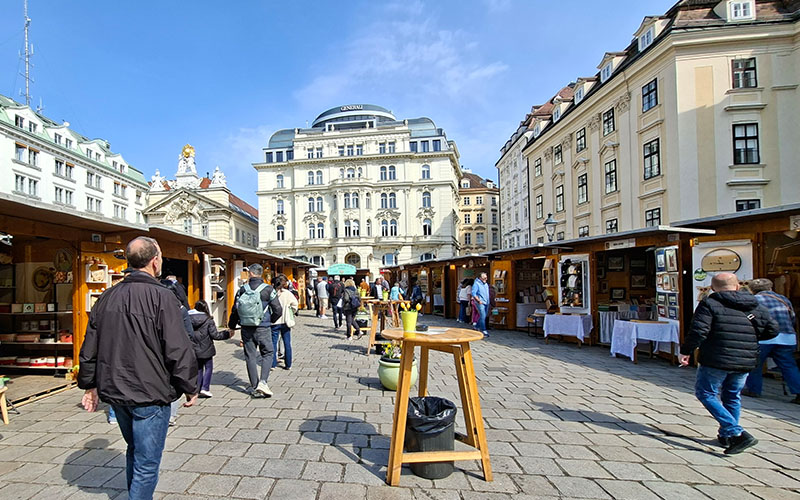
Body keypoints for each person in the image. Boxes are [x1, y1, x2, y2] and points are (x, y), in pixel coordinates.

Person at [79, 236, 198, 499]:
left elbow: (90, 347)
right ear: (155, 261)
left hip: (117, 390)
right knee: (147, 462)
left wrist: (90, 385)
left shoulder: (107, 297)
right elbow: (178, 348)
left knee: (135, 450)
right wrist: (191, 386)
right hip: (150, 392)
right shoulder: (162, 297)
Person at [679, 272, 778, 455]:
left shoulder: (710, 303)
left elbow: (699, 330)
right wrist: (749, 340)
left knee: (706, 393)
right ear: (738, 286)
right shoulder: (754, 304)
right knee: (732, 395)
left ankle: (736, 432)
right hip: (745, 359)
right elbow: (772, 330)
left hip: (717, 356)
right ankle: (727, 436)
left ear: (713, 288)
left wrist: (686, 351)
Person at [229, 263, 282, 398]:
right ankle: (263, 382)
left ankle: (254, 385)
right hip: (263, 326)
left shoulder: (242, 289)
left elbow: (235, 309)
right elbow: (278, 309)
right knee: (268, 352)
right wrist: (271, 320)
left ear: (250, 274)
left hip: (246, 328)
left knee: (250, 356)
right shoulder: (268, 289)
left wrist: (232, 325)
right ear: (260, 274)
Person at [743, 278, 800, 403]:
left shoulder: (753, 300)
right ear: (770, 288)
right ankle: (798, 392)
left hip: (763, 338)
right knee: (788, 365)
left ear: (752, 290)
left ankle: (754, 390)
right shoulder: (783, 299)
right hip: (786, 337)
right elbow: (793, 318)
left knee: (755, 365)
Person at [161, 279, 194, 426]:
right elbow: (189, 334)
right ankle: (171, 416)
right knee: (173, 383)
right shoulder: (181, 310)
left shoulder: (153, 307)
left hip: (156, 354)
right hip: (175, 352)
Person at [189, 300, 232, 398]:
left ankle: (198, 389)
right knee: (208, 368)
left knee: (198, 369)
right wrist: (226, 334)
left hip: (194, 348)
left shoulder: (188, 318)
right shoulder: (208, 319)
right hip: (206, 348)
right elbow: (215, 335)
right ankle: (205, 388)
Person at [271, 274, 298, 370]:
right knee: (287, 342)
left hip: (274, 321)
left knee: (273, 343)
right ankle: (288, 364)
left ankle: (273, 364)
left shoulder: (271, 292)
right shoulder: (287, 293)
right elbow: (295, 304)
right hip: (286, 321)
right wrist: (291, 312)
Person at [472, 273, 490, 338]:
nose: (486, 279)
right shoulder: (476, 284)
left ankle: (476, 327)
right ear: (480, 278)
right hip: (480, 302)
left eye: (486, 277)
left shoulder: (486, 284)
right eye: (484, 278)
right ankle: (483, 330)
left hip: (486, 302)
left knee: (484, 316)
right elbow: (473, 293)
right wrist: (478, 300)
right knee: (482, 315)